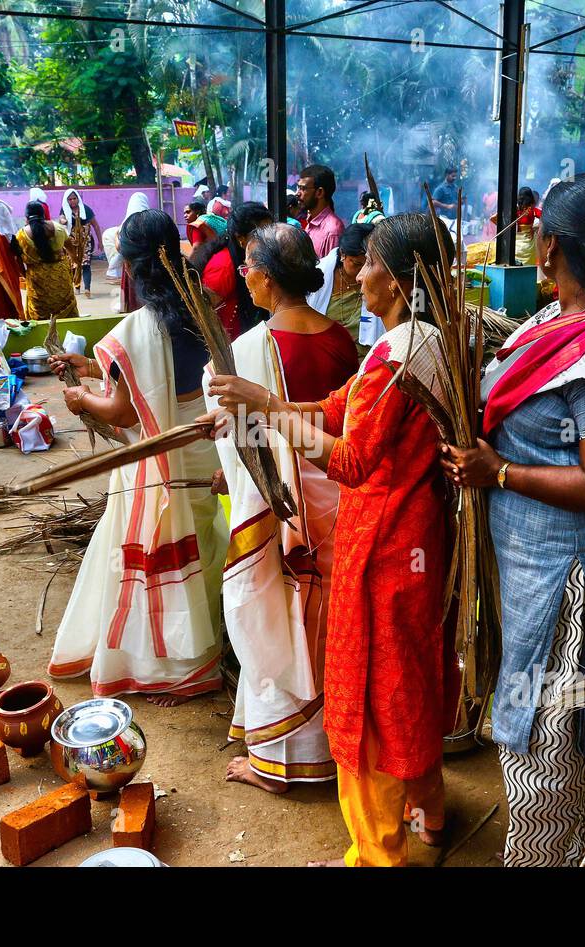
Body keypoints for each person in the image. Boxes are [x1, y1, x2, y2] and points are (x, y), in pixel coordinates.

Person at [441, 173, 585, 865]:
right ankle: (580, 852)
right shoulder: (556, 322)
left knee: (548, 745)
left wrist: (501, 473)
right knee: (557, 739)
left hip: (565, 585)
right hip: (532, 572)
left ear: (549, 249)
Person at [206, 212, 456, 866]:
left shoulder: (397, 355)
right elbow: (336, 406)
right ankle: (426, 813)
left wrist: (266, 414)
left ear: (400, 282)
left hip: (383, 546)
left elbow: (348, 459)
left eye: (368, 261)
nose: (355, 270)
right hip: (418, 539)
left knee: (376, 696)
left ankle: (378, 855)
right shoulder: (423, 341)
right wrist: (263, 401)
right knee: (410, 684)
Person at [47, 209, 227, 704]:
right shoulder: (204, 304)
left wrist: (83, 398)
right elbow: (170, 381)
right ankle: (199, 657)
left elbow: (124, 413)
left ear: (129, 266)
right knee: (199, 550)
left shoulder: (133, 331)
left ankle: (165, 670)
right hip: (201, 446)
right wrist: (90, 367)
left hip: (155, 459)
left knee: (152, 561)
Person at [206, 223, 356, 792]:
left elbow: (243, 430)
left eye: (247, 265)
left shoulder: (249, 349)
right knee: (324, 623)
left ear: (266, 277)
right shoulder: (340, 337)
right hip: (338, 498)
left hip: (278, 506)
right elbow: (336, 419)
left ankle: (279, 764)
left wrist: (229, 459)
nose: (242, 274)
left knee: (276, 618)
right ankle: (330, 746)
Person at [191, 201, 273, 340]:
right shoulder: (223, 266)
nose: (270, 239)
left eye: (271, 231)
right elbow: (200, 312)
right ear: (240, 238)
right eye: (261, 235)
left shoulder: (251, 258)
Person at [307, 221, 379, 355]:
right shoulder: (319, 275)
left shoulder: (377, 279)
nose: (363, 271)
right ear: (342, 254)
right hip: (325, 357)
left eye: (369, 264)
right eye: (357, 264)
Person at [14, 201, 78, 336]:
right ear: (44, 215)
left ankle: (42, 345)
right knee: (66, 313)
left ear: (26, 217)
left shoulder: (20, 235)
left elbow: (18, 261)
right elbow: (72, 251)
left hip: (37, 280)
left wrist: (25, 275)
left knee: (40, 318)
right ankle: (69, 339)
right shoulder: (59, 228)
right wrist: (74, 265)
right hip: (61, 276)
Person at [60, 188, 105, 299]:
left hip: (86, 242)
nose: (72, 201)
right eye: (70, 199)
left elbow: (96, 226)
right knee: (73, 265)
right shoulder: (65, 210)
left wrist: (100, 241)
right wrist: (63, 220)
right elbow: (61, 219)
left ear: (78, 198)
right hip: (71, 243)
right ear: (67, 200)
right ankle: (76, 287)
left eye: (74, 198)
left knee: (86, 264)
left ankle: (87, 289)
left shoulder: (86, 209)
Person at [297, 164, 345, 258]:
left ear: (319, 192)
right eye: (298, 188)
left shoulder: (332, 231)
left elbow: (330, 271)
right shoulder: (310, 221)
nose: (297, 193)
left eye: (303, 189)